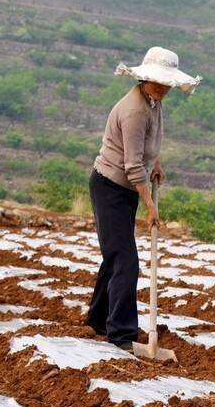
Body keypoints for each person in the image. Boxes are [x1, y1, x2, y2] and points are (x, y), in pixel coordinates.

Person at [86, 47, 200, 350]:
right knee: (125, 259)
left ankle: (98, 319)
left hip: (124, 189)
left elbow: (149, 144)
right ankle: (121, 333)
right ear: (145, 77)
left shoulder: (153, 101)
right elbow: (132, 165)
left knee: (115, 255)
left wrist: (157, 162)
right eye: (157, 82)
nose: (162, 88)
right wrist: (149, 205)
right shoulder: (135, 110)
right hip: (110, 186)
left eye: (167, 84)